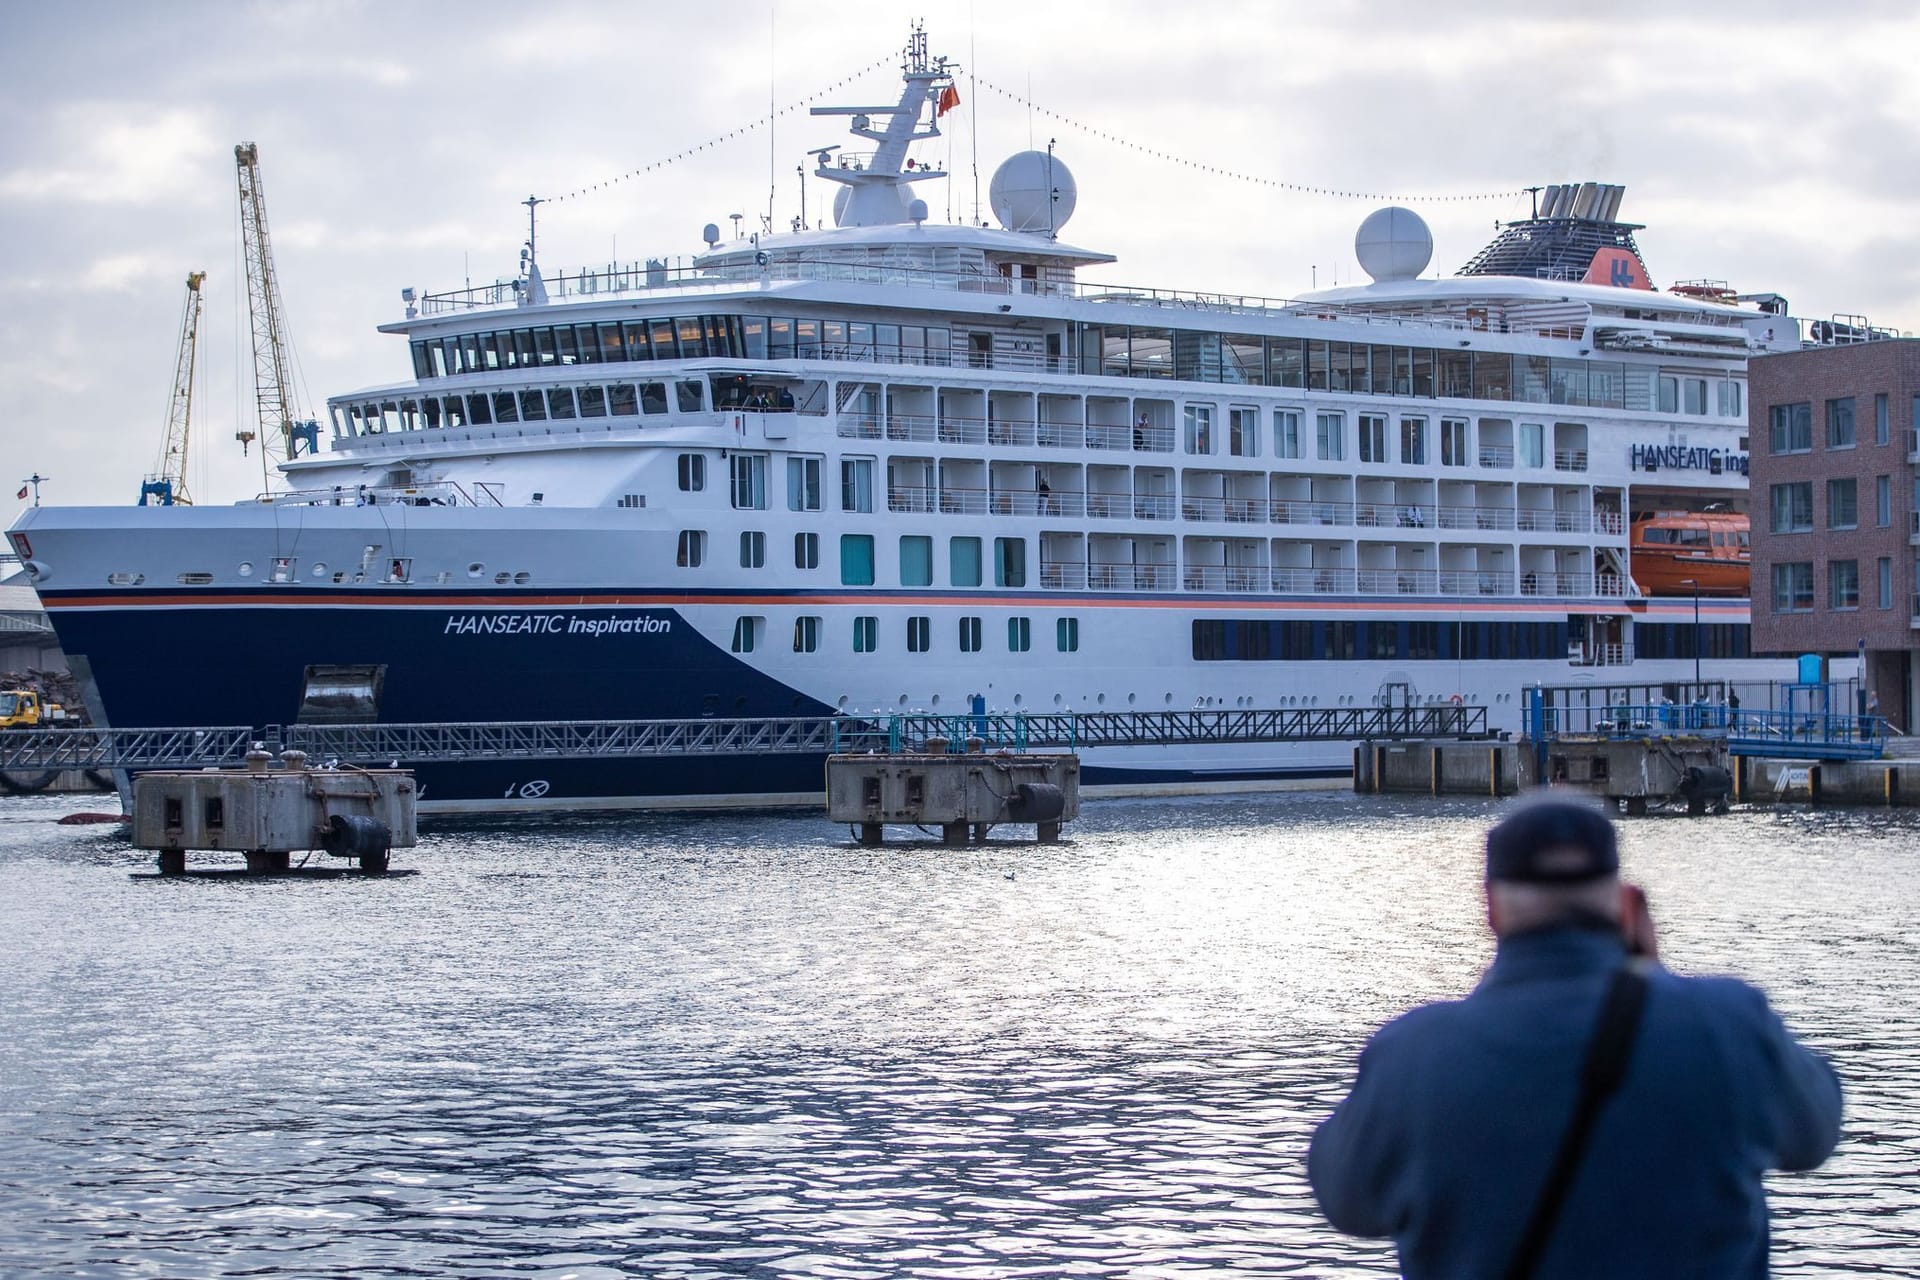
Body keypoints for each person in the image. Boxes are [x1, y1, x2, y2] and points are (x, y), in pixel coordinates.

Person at [1309, 798, 1841, 1278]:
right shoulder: (1729, 1023)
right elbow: (1814, 1132)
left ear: (1491, 909)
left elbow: (1346, 1201)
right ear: (1624, 903)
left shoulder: (1414, 1055)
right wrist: (1653, 982)